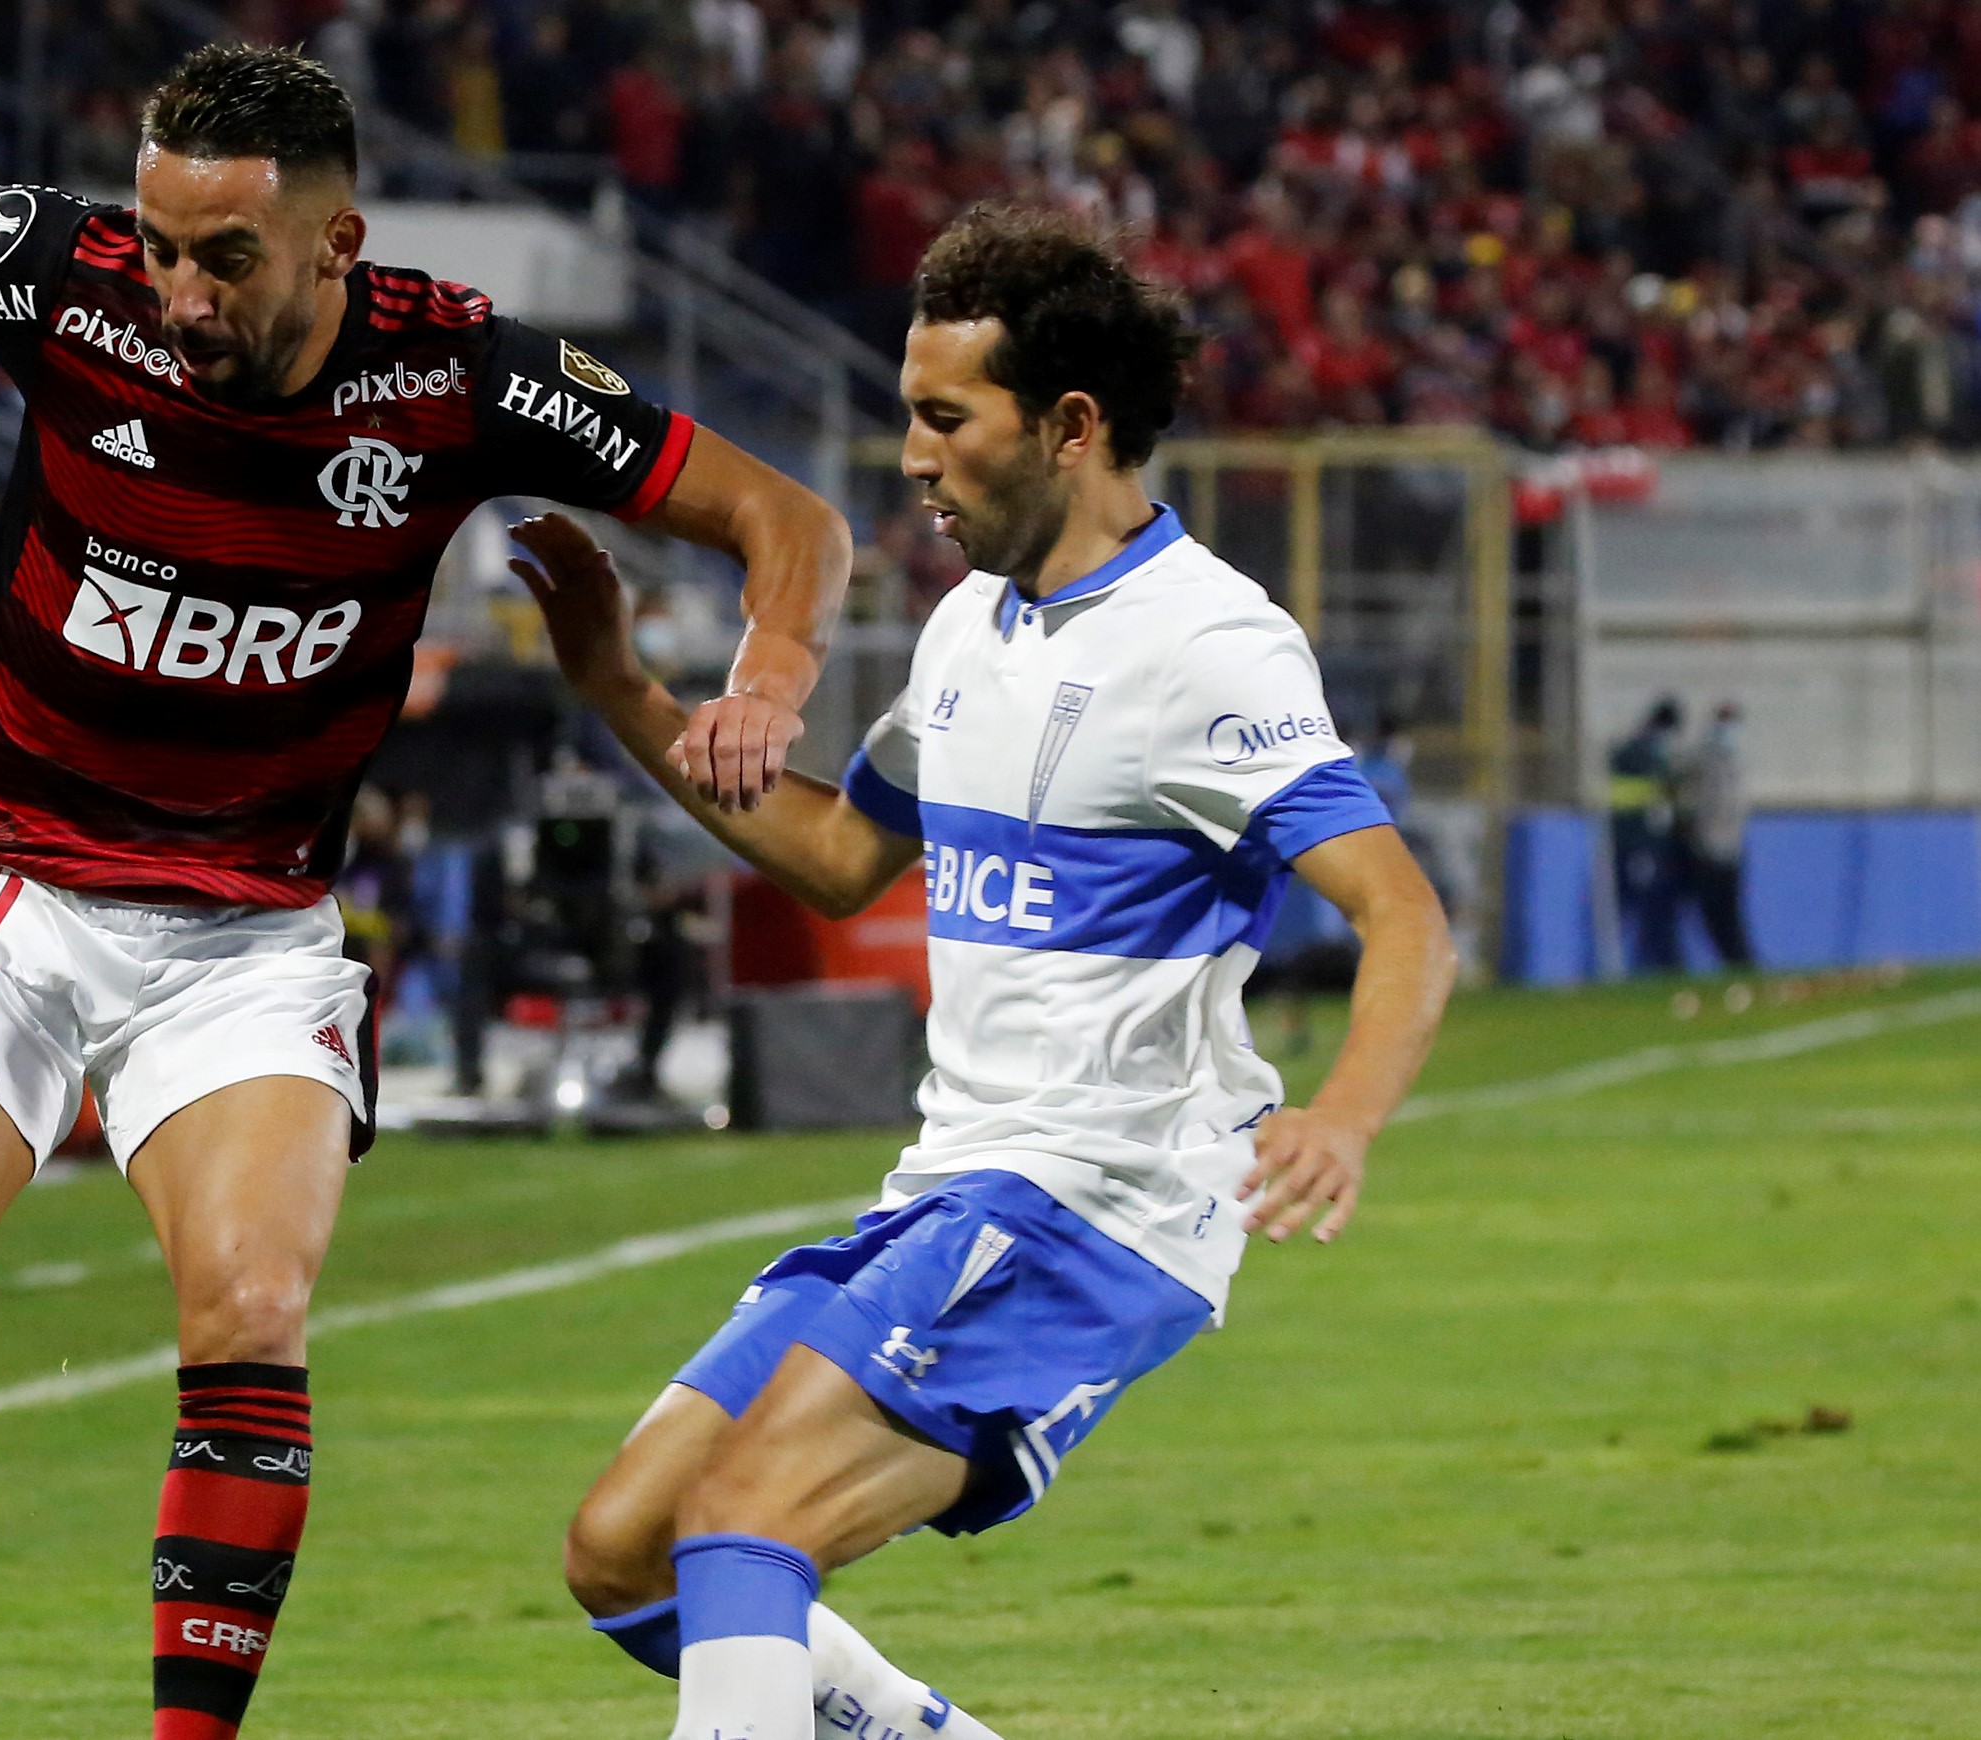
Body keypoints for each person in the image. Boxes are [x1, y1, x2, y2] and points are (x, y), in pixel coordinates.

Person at [0, 43, 850, 1740]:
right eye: (160, 242)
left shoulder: (457, 372)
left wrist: (764, 674)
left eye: (222, 257)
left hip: (245, 930)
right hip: (3, 881)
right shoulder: (66, 276)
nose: (173, 289)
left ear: (336, 246)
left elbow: (785, 517)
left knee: (248, 1313)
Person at [515, 206, 1458, 1740]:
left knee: (745, 1520)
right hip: (951, 1183)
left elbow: (1401, 912)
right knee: (626, 1553)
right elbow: (837, 860)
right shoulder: (967, 628)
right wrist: (620, 690)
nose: (908, 454)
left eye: (943, 417)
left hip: (1100, 1204)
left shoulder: (1206, 644)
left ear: (1068, 426)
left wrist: (1340, 1117)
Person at [1606, 696, 1685, 974]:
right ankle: (1650, 964)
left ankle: (1657, 962)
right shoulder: (1637, 755)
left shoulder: (1642, 752)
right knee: (1641, 907)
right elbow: (1645, 801)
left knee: (1649, 908)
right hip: (1637, 844)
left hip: (1645, 844)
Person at [1679, 699, 1752, 967]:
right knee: (1716, 916)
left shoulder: (1733, 759)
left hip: (1727, 849)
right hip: (1709, 847)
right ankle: (1736, 963)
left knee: (1727, 915)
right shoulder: (1705, 756)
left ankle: (1740, 963)